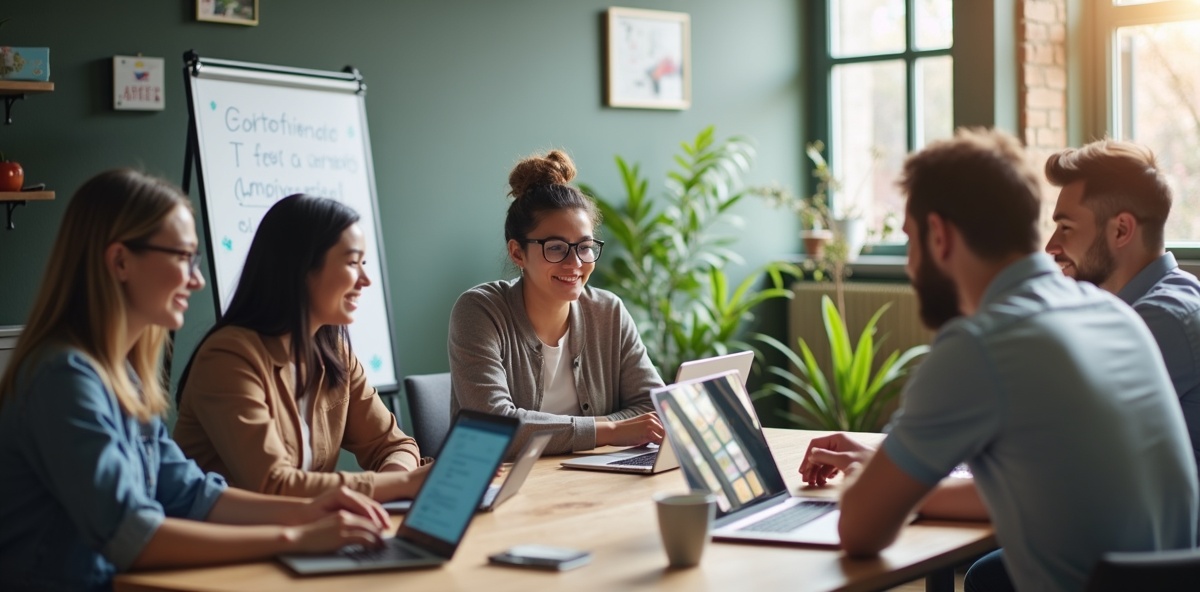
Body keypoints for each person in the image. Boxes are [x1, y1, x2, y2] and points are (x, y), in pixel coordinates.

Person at [796, 129, 1198, 592]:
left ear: (940, 236)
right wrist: (899, 476)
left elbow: (860, 530)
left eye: (910, 240)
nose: (909, 263)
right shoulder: (1111, 313)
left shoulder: (981, 344)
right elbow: (1033, 486)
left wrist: (876, 484)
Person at [0, 170, 388, 591]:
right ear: (120, 262)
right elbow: (133, 536)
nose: (197, 279)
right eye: (182, 257)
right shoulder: (64, 379)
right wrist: (296, 537)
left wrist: (311, 510)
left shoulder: (121, 376)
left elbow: (191, 494)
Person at [173, 194, 428, 502]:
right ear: (301, 268)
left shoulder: (334, 351)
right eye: (352, 262)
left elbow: (394, 445)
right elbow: (274, 484)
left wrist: (385, 490)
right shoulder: (228, 357)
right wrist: (401, 485)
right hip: (237, 544)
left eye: (364, 263)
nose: (366, 279)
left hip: (309, 535)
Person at [449, 149, 664, 455]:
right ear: (517, 253)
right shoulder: (480, 311)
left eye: (585, 247)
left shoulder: (608, 311)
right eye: (556, 248)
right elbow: (494, 428)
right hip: (505, 488)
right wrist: (612, 430)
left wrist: (592, 433)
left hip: (593, 479)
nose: (575, 262)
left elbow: (651, 407)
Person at [1044, 139, 1200, 478]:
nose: (1051, 246)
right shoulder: (1129, 310)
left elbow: (1058, 443)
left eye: (1066, 228)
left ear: (1121, 230)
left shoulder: (1165, 320)